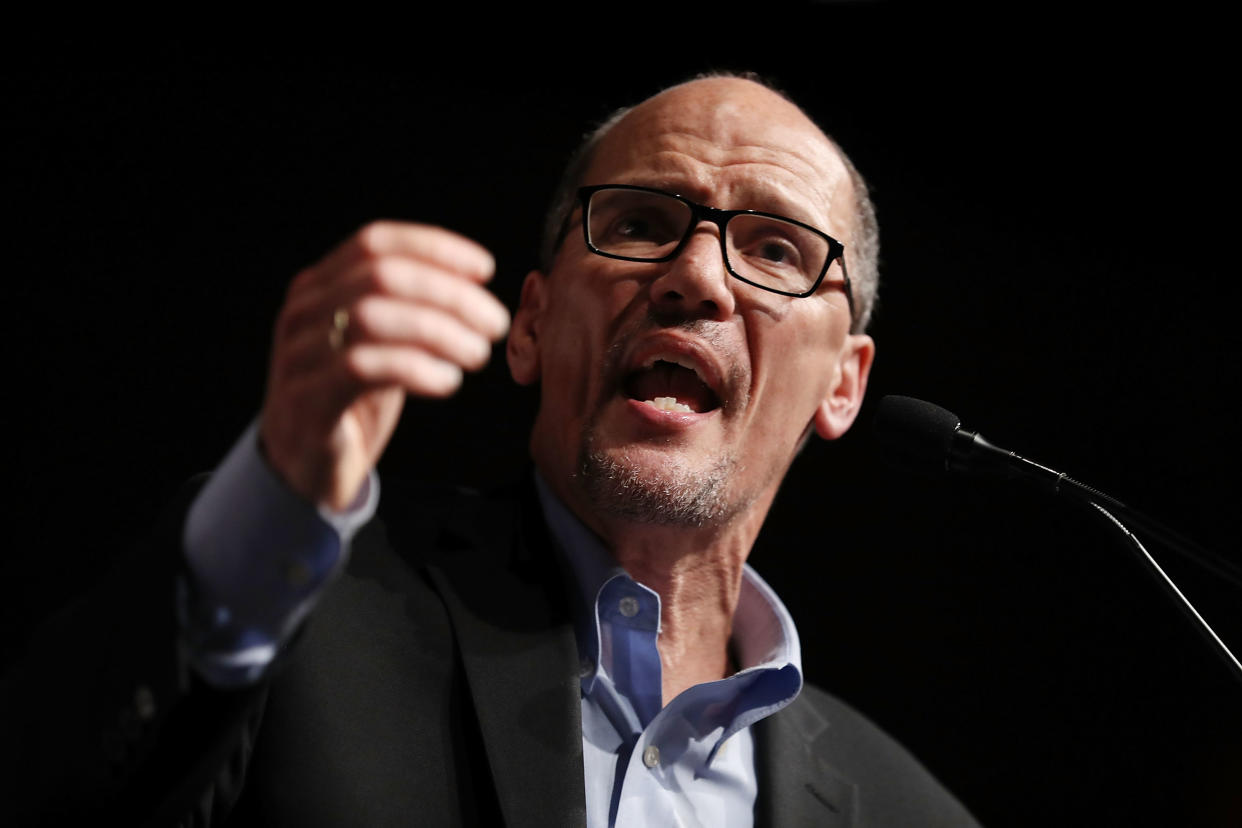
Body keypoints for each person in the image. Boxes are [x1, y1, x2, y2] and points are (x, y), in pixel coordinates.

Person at [12, 75, 980, 826]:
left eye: (774, 250)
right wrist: (272, 501)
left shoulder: (912, 810)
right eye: (640, 223)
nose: (695, 276)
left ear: (842, 383)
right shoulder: (292, 604)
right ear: (532, 326)